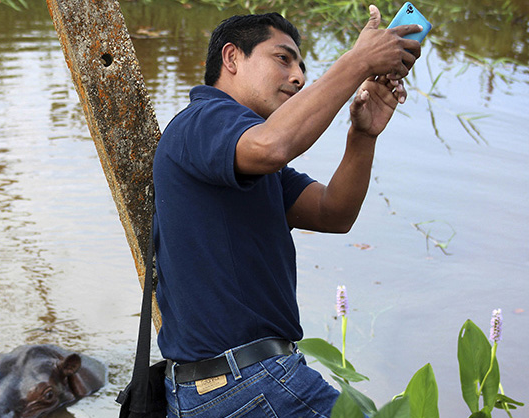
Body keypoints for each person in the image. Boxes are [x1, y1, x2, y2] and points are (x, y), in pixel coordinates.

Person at [152, 5, 422, 418]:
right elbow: (273, 145)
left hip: (234, 386)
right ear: (232, 58)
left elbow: (333, 214)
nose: (297, 76)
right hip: (245, 383)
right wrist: (358, 60)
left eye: (301, 65)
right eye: (282, 58)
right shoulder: (203, 121)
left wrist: (362, 136)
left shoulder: (251, 159)